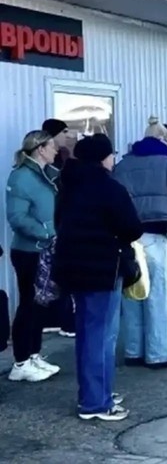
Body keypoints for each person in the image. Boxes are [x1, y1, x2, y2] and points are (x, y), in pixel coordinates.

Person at [53, 134, 143, 422]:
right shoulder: (109, 187)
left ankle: (95, 392)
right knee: (101, 335)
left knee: (87, 333)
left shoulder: (67, 186)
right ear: (103, 158)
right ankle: (96, 402)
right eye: (111, 154)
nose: (114, 158)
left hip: (73, 266)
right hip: (103, 268)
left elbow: (59, 223)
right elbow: (132, 228)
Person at [113, 117, 167, 370]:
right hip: (157, 232)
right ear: (163, 139)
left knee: (133, 293)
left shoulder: (123, 164)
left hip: (128, 234)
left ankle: (134, 351)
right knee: (158, 295)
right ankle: (162, 353)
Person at [5, 130, 61, 382]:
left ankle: (34, 354)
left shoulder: (46, 175)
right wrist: (46, 234)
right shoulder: (21, 177)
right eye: (52, 146)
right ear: (40, 149)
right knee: (28, 303)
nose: (57, 149)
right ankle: (20, 362)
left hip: (44, 249)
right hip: (29, 251)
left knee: (40, 304)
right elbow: (17, 217)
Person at [41, 119, 77, 337]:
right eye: (64, 131)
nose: (68, 135)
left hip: (59, 223)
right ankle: (58, 319)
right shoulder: (50, 165)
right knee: (51, 274)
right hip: (53, 225)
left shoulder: (61, 157)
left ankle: (59, 317)